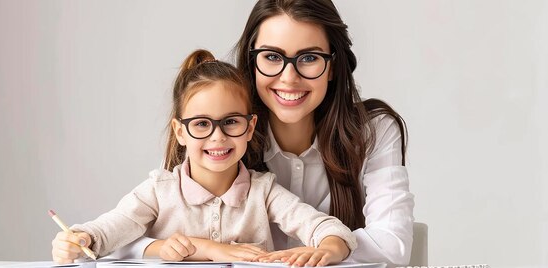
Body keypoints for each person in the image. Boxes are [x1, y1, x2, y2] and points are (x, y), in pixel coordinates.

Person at [120, 0, 415, 267]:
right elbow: (126, 236)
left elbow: (393, 245)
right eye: (272, 57)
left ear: (332, 67)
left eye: (309, 58)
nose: (289, 78)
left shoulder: (372, 130)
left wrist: (329, 247)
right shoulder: (214, 135)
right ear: (252, 62)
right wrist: (203, 247)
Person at [50, 49, 357, 267]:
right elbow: (109, 230)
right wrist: (79, 239)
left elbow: (327, 228)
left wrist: (330, 246)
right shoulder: (159, 190)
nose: (217, 137)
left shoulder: (264, 192)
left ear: (250, 127)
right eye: (201, 124)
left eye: (231, 122)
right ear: (180, 132)